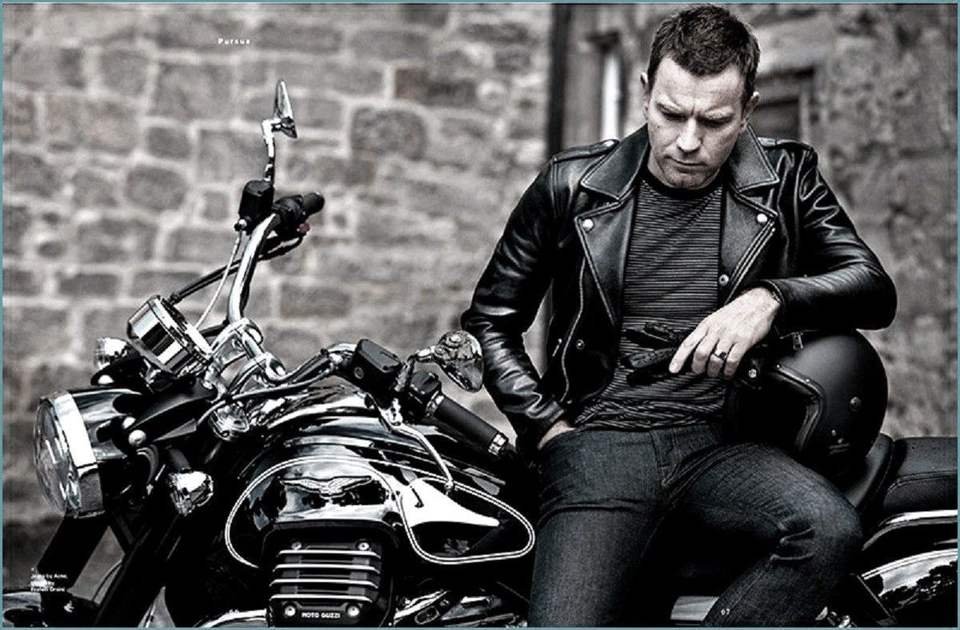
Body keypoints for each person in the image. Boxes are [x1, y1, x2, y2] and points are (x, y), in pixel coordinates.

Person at [461, 4, 897, 626]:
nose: (688, 141)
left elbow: (873, 288)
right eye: (671, 114)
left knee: (828, 529)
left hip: (723, 441)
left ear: (747, 110)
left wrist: (771, 300)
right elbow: (491, 320)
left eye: (714, 121)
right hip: (601, 444)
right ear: (645, 94)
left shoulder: (786, 178)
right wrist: (548, 429)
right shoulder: (570, 185)